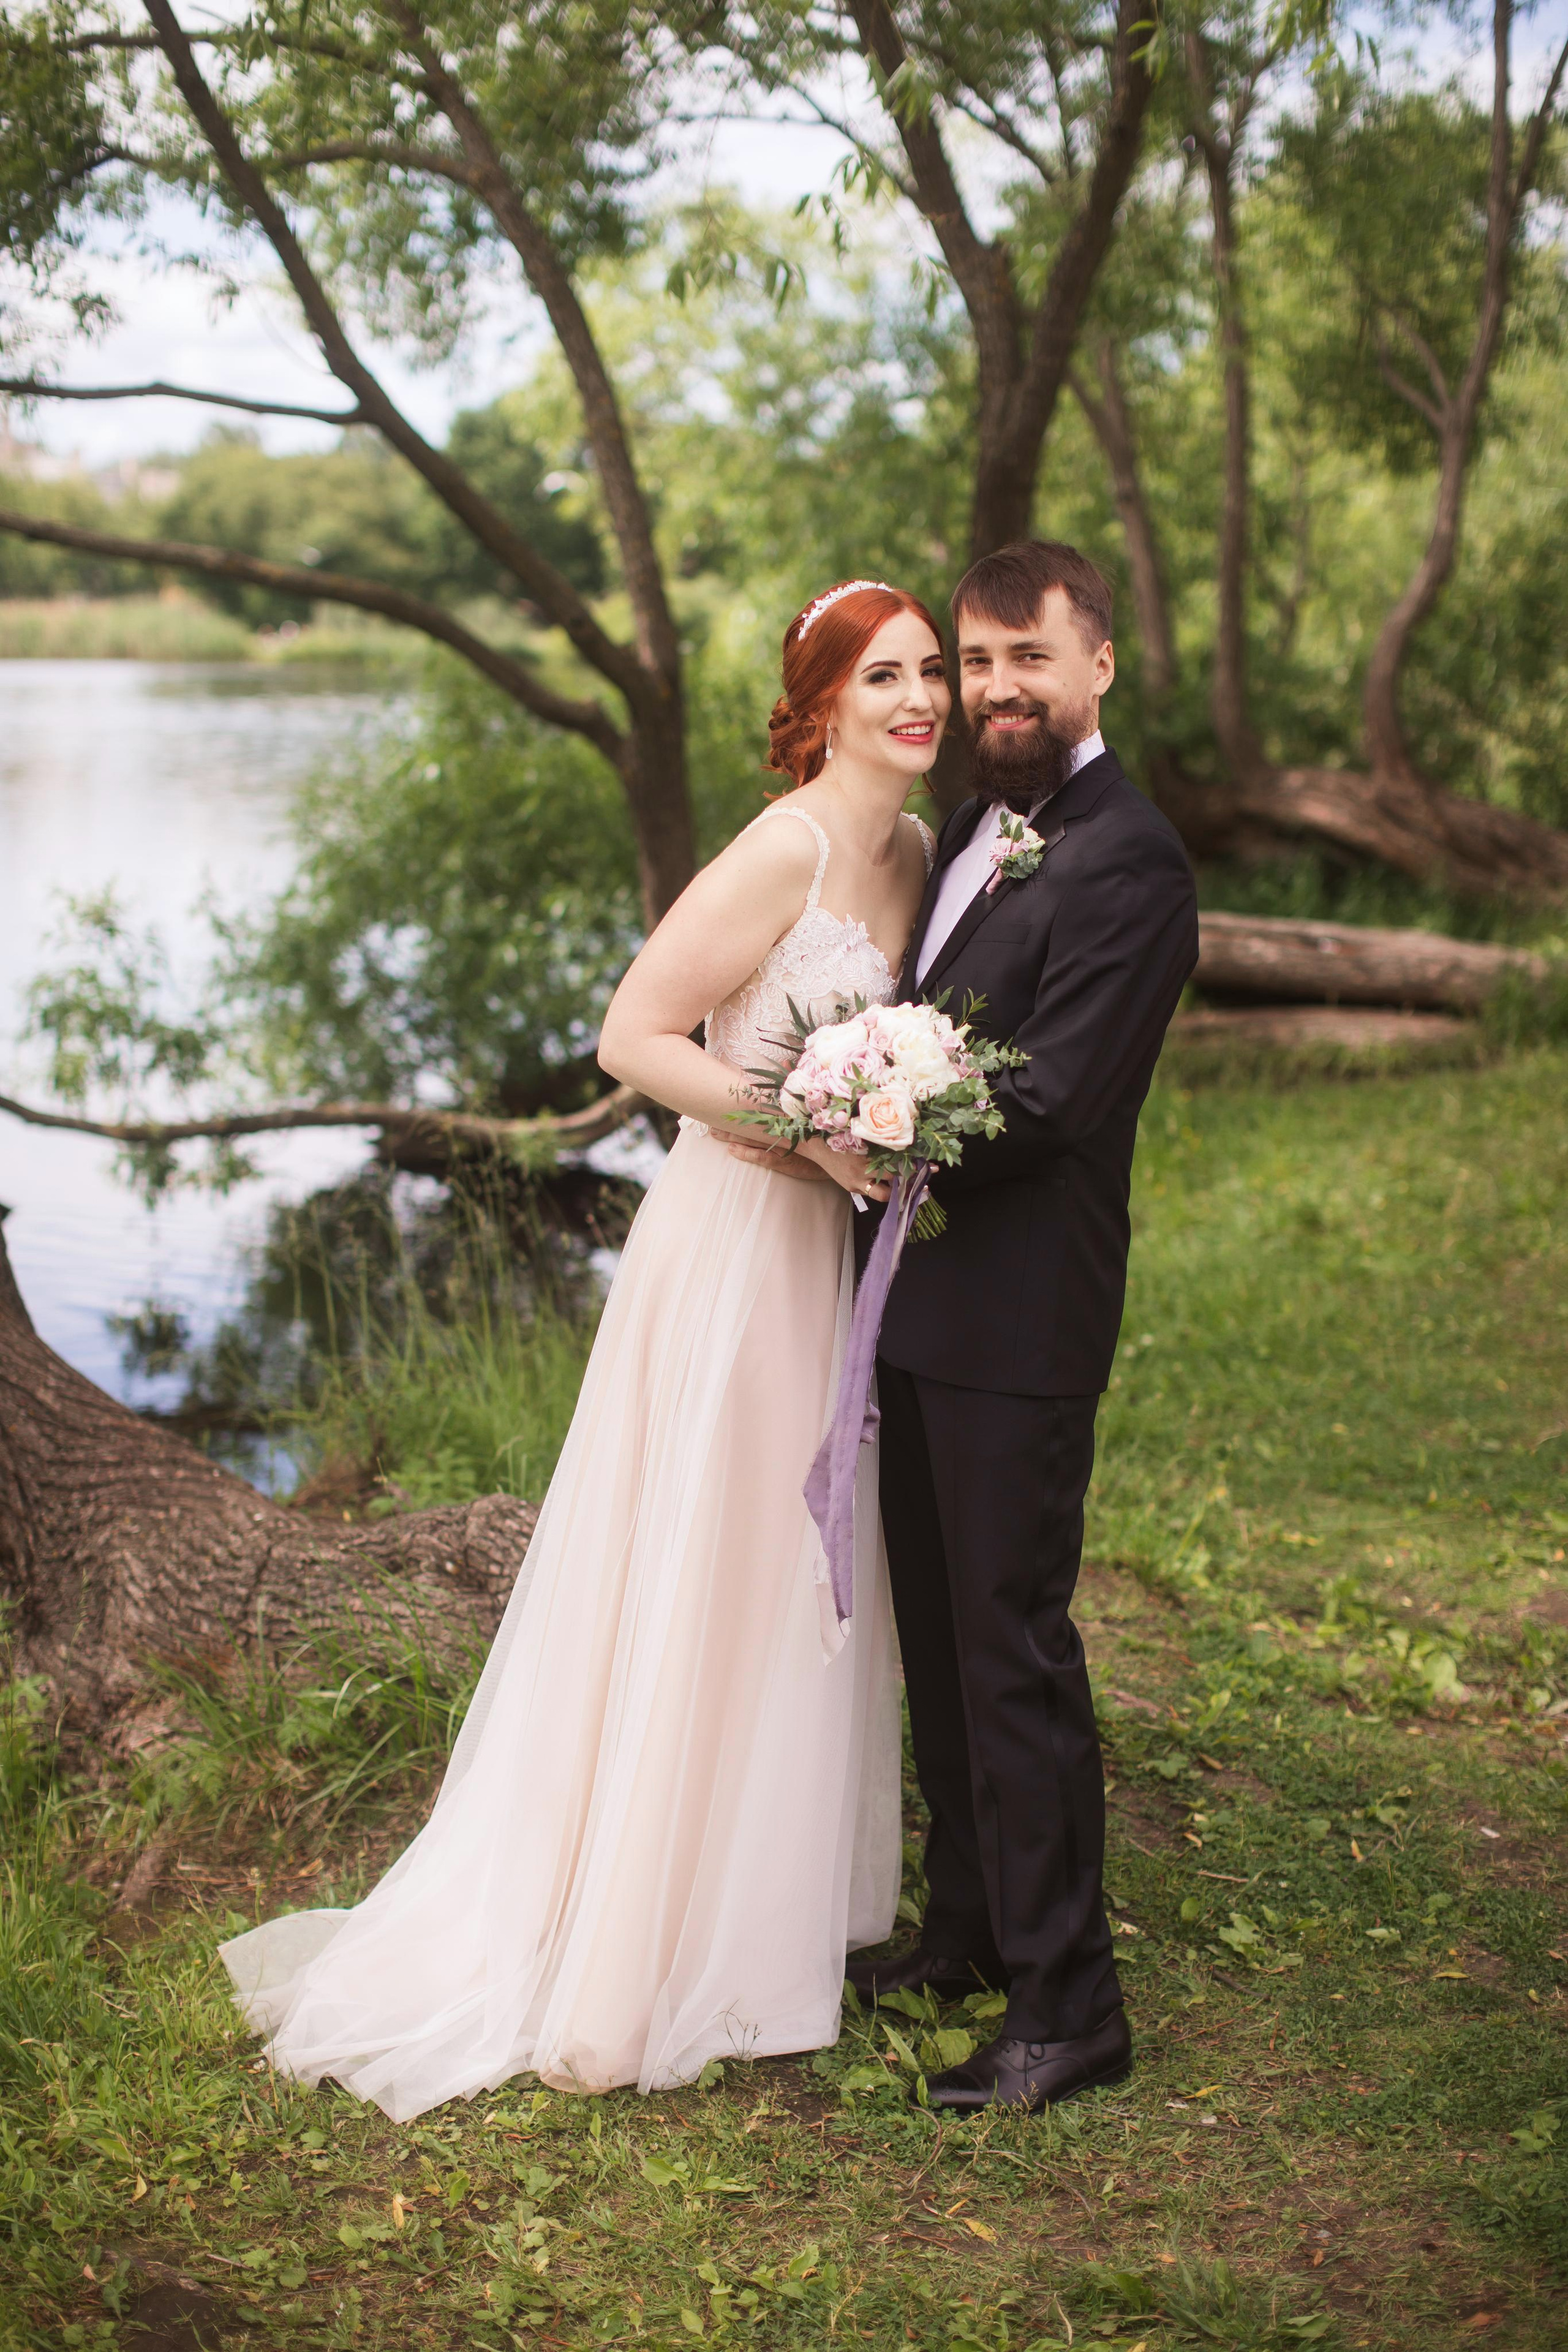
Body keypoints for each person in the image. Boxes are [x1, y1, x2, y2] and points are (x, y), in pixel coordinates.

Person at [218, 581, 946, 2119]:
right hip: (736, 1241)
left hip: (826, 1258)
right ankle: (624, 1939)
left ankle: (762, 1916)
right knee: (700, 1556)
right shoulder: (786, 848)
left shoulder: (921, 853)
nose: (918, 698)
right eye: (882, 676)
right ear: (820, 702)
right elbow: (634, 1037)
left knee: (791, 1567)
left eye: (931, 671)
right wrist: (807, 1134)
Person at [847, 540, 1199, 2113]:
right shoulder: (986, 827)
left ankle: (1071, 2005)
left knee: (1012, 1653)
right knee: (936, 1636)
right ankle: (971, 1929)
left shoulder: (1127, 861)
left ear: (1098, 666)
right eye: (974, 663)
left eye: (1022, 661)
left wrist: (862, 1108)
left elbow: (1053, 1101)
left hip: (1020, 1317)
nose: (993, 690)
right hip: (916, 1299)